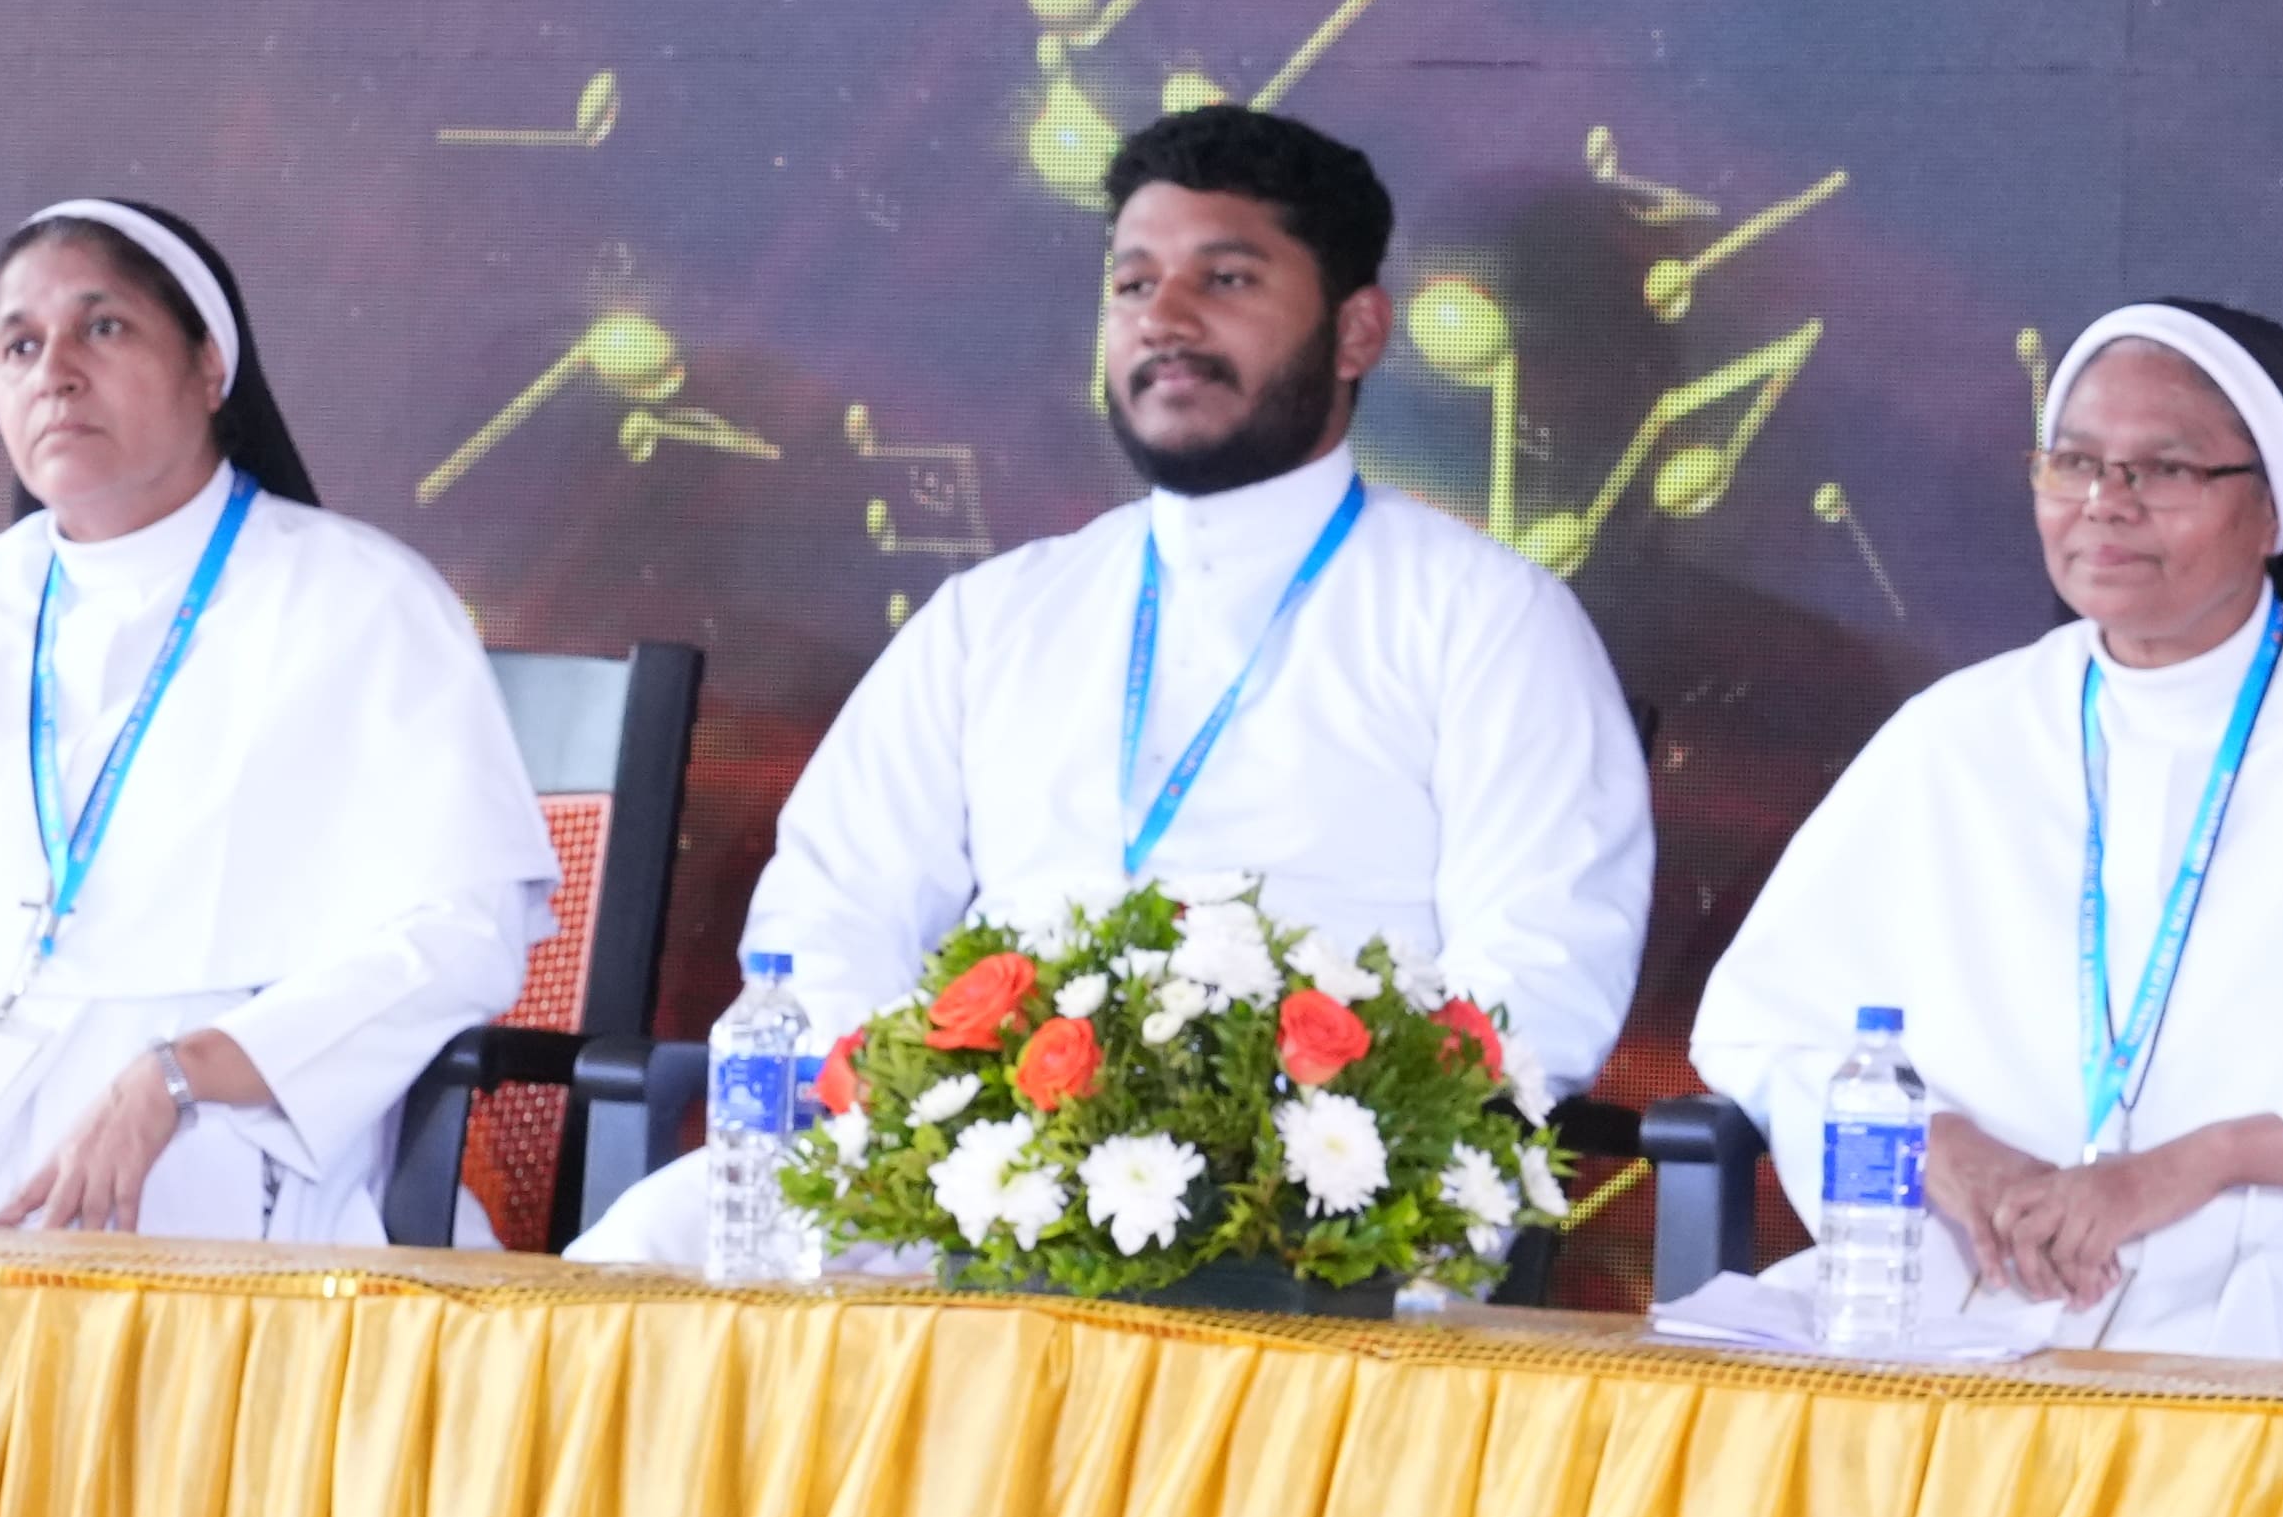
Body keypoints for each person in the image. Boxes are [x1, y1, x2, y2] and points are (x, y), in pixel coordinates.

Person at [576, 103, 1654, 1266]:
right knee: (639, 1259)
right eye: (1133, 283)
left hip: (1316, 1212)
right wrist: (912, 1114)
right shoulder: (996, 615)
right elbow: (832, 910)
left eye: (1226, 279)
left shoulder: (1488, 617)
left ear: (1356, 331)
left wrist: (1298, 1139)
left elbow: (1540, 973)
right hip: (964, 1182)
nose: (1165, 318)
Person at [1692, 303, 2283, 1371]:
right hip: (1981, 1272)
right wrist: (1945, 1150)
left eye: (2164, 470)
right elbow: (1767, 1030)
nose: (2106, 503)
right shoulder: (1957, 732)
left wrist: (2200, 1163)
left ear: (2271, 509)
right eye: (2074, 463)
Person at [0, 201, 557, 1240]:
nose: (55, 373)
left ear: (211, 366)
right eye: (19, 346)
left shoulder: (364, 602)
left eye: (102, 327)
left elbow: (464, 930)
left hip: (223, 1094)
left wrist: (190, 1071)